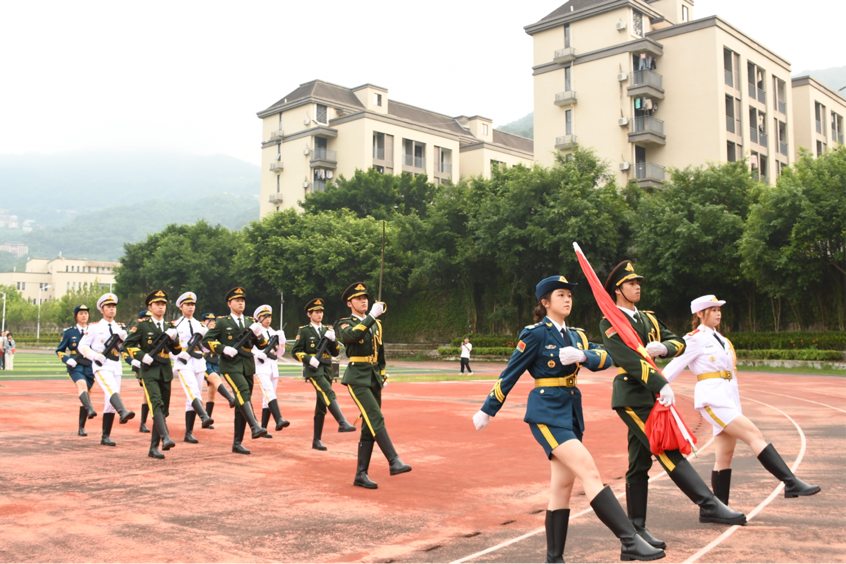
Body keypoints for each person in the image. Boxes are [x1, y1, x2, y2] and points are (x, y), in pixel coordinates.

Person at [473, 276, 663, 563]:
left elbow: (607, 356)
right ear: (545, 302)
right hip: (546, 413)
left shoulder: (577, 336)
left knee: (562, 489)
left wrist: (583, 355)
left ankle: (554, 559)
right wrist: (488, 409)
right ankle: (629, 541)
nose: (567, 299)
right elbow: (510, 373)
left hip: (572, 413)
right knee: (590, 472)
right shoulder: (535, 334)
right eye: (560, 295)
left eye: (569, 295)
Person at [600, 261, 746, 547]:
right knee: (666, 448)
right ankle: (708, 504)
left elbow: (678, 342)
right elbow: (629, 360)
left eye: (638, 282)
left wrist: (664, 348)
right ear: (617, 290)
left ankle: (637, 529)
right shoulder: (610, 322)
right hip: (632, 396)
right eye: (631, 283)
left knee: (639, 462)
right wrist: (660, 383)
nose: (637, 287)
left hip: (650, 395)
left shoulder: (649, 319)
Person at [663, 295, 820, 503]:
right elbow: (672, 368)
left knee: (725, 455)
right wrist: (658, 386)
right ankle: (790, 482)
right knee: (754, 435)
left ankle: (718, 509)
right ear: (699, 314)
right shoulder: (693, 339)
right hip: (712, 399)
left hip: (729, 398)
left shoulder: (722, 340)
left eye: (719, 310)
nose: (718, 313)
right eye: (713, 310)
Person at [338, 282, 411, 489]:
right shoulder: (344, 323)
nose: (364, 301)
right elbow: (353, 336)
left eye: (366, 298)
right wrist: (371, 316)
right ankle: (394, 461)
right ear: (349, 303)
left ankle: (361, 474)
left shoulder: (376, 325)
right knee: (375, 417)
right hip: (357, 377)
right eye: (359, 298)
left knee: (369, 426)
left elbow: (380, 351)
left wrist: (383, 373)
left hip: (373, 377)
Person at [202, 287, 268, 455]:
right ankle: (255, 426)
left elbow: (262, 345)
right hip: (230, 365)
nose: (240, 303)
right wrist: (223, 349)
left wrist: (259, 335)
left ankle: (237, 443)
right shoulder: (222, 322)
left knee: (242, 401)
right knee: (242, 391)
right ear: (229, 303)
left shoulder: (250, 322)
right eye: (237, 301)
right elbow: (207, 339)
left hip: (247, 365)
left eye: (242, 301)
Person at [124, 290, 183, 459]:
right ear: (150, 307)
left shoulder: (170, 327)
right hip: (149, 371)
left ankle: (153, 448)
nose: (161, 307)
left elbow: (176, 351)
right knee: (156, 402)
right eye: (157, 304)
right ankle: (165, 437)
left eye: (163, 304)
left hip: (165, 370)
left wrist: (174, 339)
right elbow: (128, 344)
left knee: (163, 409)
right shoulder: (142, 326)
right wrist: (143, 356)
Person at [292, 298, 356, 451]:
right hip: (314, 370)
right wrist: (309, 359)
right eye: (316, 312)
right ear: (309, 314)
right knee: (328, 392)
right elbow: (296, 351)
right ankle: (342, 422)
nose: (319, 314)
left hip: (327, 368)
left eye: (321, 312)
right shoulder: (304, 331)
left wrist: (333, 340)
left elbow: (335, 352)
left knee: (322, 404)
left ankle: (317, 440)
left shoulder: (327, 330)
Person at [79, 293, 135, 446]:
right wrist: (95, 356)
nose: (111, 309)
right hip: (101, 365)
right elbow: (82, 346)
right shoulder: (94, 327)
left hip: (115, 365)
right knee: (111, 390)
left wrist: (124, 339)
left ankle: (105, 436)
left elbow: (124, 348)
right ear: (101, 310)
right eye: (108, 307)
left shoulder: (119, 327)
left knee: (110, 401)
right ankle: (123, 411)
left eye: (113, 307)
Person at [56, 304, 97, 436]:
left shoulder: (93, 331)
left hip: (90, 365)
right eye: (81, 313)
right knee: (82, 385)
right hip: (76, 365)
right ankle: (90, 409)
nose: (84, 315)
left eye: (86, 313)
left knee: (87, 395)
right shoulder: (69, 332)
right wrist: (67, 360)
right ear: (76, 316)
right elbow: (60, 350)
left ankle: (81, 427)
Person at [251, 304, 290, 438]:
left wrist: (282, 340)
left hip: (273, 366)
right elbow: (250, 349)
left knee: (267, 398)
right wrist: (258, 355)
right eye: (264, 317)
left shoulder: (274, 332)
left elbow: (279, 353)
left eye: (269, 317)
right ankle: (279, 419)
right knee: (269, 392)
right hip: (261, 366)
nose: (268, 319)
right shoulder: (255, 331)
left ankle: (263, 429)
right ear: (258, 318)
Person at [200, 312, 236, 429]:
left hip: (215, 361)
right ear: (203, 322)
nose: (211, 323)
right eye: (208, 321)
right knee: (215, 379)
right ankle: (230, 398)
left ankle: (206, 420)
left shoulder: (216, 332)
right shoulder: (200, 331)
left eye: (213, 321)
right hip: (204, 362)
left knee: (212, 392)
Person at [126, 309, 153, 433]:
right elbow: (126, 348)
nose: (148, 320)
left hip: (153, 363)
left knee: (149, 394)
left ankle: (146, 422)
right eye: (146, 318)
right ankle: (143, 423)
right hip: (140, 364)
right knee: (148, 392)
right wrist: (133, 361)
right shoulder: (138, 329)